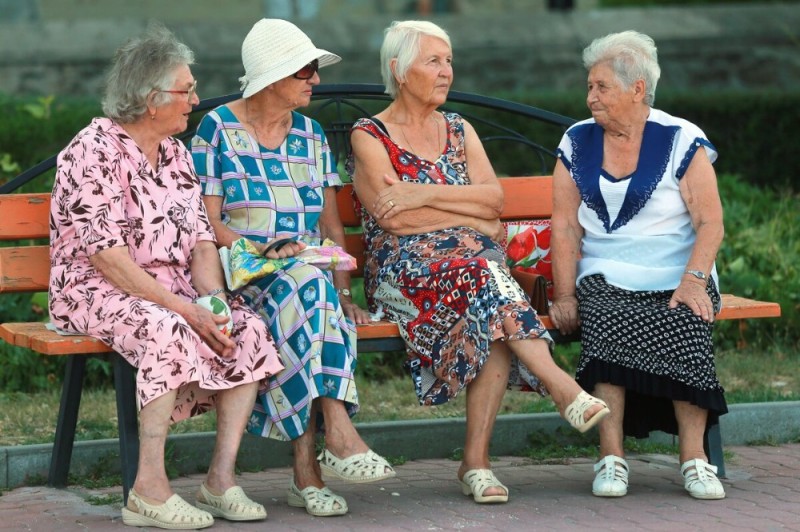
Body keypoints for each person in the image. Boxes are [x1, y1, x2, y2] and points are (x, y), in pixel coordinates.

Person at [346, 20, 610, 505]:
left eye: (448, 61)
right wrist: (468, 217)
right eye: (433, 61)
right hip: (402, 277)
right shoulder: (370, 135)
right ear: (399, 71)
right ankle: (555, 393)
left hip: (473, 273)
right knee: (489, 282)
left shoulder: (458, 128)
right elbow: (398, 223)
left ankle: (479, 462)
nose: (447, 71)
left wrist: (421, 193)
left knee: (486, 292)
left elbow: (494, 202)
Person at [49, 25, 284, 529]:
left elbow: (201, 241)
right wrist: (186, 310)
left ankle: (220, 479)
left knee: (244, 328)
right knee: (166, 328)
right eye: (187, 91)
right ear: (151, 99)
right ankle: (148, 490)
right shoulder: (92, 151)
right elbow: (108, 258)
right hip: (94, 288)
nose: (196, 101)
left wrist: (214, 303)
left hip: (165, 289)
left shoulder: (174, 153)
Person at [191, 18, 395, 517]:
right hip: (246, 277)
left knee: (314, 295)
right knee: (308, 291)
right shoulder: (217, 128)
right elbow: (207, 221)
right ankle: (335, 441)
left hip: (308, 282)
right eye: (305, 71)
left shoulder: (310, 133)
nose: (316, 81)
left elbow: (330, 228)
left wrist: (345, 293)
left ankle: (310, 473)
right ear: (270, 76)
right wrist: (265, 249)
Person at [549, 31, 727, 500]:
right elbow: (565, 226)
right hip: (605, 270)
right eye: (589, 86)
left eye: (601, 87)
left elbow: (710, 221)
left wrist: (694, 281)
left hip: (678, 270)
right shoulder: (576, 141)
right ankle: (611, 458)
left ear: (637, 89)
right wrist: (565, 293)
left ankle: (695, 460)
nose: (590, 97)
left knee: (688, 319)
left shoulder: (681, 139)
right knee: (605, 316)